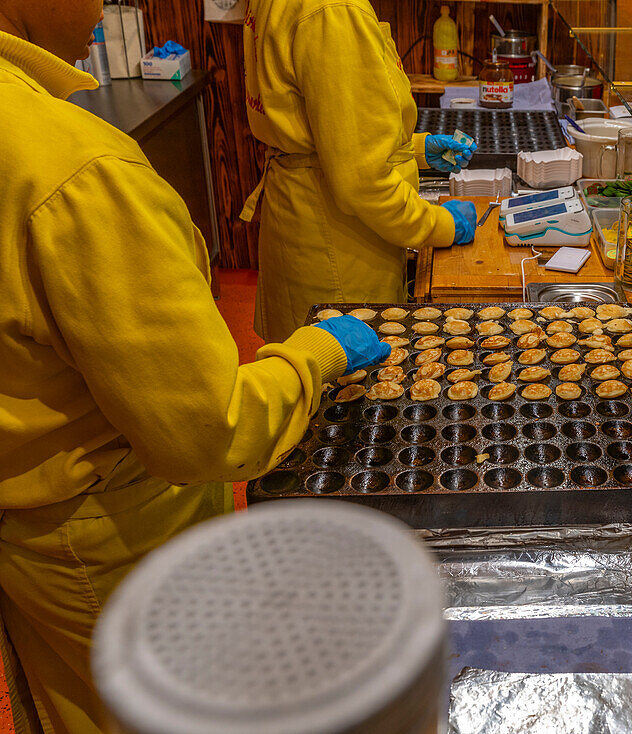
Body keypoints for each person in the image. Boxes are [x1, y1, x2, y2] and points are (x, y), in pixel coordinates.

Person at [0, 1, 393, 731]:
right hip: (110, 536)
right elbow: (208, 431)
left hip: (33, 524)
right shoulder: (75, 169)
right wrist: (317, 356)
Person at [242, 0, 479, 342]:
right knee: (352, 382)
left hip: (299, 218)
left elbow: (329, 127)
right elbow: (363, 181)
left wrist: (413, 149)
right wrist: (441, 225)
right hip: (339, 248)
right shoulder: (335, 10)